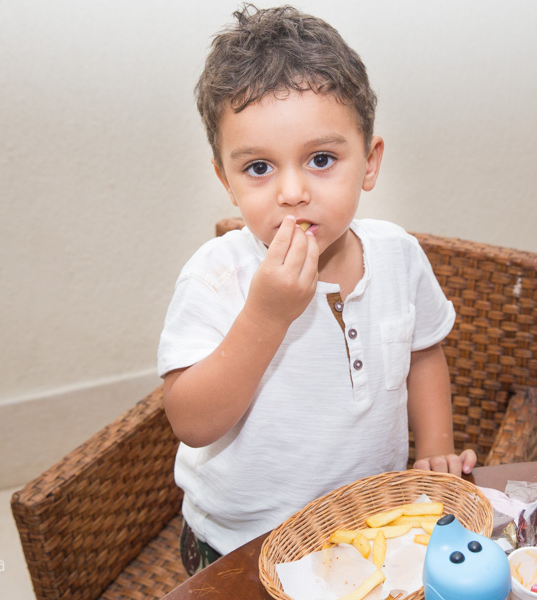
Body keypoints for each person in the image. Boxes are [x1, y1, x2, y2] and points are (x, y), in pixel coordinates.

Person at [158, 4, 478, 575]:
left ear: (369, 163)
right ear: (225, 181)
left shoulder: (398, 255)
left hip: (369, 525)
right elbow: (191, 421)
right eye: (258, 168)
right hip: (240, 546)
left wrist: (434, 446)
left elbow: (424, 351)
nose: (292, 191)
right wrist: (265, 316)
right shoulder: (216, 275)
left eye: (321, 159)